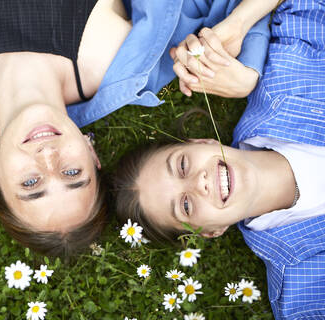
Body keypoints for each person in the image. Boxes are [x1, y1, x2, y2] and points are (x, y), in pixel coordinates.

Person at [0, 0, 270, 256]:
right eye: (72, 175)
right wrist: (245, 65)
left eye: (30, 183)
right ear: (92, 154)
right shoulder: (148, 59)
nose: (48, 159)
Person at [114, 0, 325, 317]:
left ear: (203, 141)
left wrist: (239, 23)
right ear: (211, 232)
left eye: (183, 165)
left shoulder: (291, 73)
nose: (198, 183)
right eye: (185, 205)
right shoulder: (304, 296)